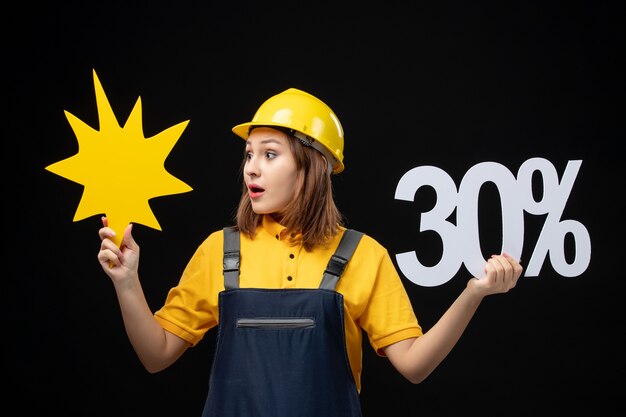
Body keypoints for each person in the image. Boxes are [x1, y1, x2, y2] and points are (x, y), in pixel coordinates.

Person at [97, 88, 523, 417]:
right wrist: (127, 281)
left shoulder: (361, 254)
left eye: (269, 154)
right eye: (249, 154)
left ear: (312, 166)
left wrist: (473, 294)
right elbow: (156, 356)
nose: (251, 168)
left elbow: (414, 366)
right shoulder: (221, 251)